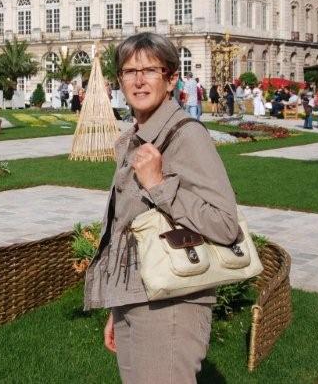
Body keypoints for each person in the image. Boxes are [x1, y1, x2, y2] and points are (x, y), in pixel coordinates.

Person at [84, 32, 239, 383]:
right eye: (129, 71)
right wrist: (117, 304)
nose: (138, 80)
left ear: (170, 79)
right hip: (135, 298)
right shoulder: (132, 139)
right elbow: (125, 228)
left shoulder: (186, 135)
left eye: (150, 70)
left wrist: (158, 184)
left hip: (171, 305)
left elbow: (225, 224)